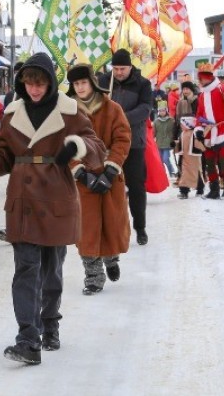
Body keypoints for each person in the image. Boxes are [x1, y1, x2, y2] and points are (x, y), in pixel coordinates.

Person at [0, 53, 103, 365]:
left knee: (51, 271)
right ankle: (28, 339)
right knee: (26, 271)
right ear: (21, 84)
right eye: (29, 83)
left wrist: (77, 147)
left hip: (56, 199)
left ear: (51, 82)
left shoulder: (70, 111)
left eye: (40, 83)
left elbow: (96, 148)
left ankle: (50, 324)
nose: (34, 89)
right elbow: (3, 160)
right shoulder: (12, 115)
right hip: (23, 202)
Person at [66, 63, 131, 296]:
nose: (80, 87)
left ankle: (111, 258)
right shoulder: (68, 112)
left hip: (110, 175)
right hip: (82, 180)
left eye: (83, 82)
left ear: (92, 82)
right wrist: (79, 171)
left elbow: (123, 138)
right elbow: (62, 144)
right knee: (87, 228)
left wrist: (111, 169)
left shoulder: (112, 108)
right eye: (76, 83)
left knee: (112, 224)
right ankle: (93, 276)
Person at [97, 49, 153, 245]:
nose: (119, 72)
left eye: (122, 68)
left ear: (130, 67)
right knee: (107, 185)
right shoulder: (103, 82)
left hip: (134, 143)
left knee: (136, 186)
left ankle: (140, 227)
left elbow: (145, 109)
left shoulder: (143, 84)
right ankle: (111, 228)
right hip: (107, 143)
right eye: (116, 68)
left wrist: (120, 119)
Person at [194, 63, 224, 199]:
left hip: (223, 129)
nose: (199, 81)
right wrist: (198, 129)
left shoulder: (222, 88)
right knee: (209, 161)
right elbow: (199, 114)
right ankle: (214, 189)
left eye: (201, 78)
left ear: (207, 77)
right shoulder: (202, 95)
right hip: (209, 132)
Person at [174, 81, 201, 198]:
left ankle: (200, 187)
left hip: (195, 135)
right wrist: (174, 136)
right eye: (183, 89)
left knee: (196, 163)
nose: (185, 91)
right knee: (182, 163)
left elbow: (200, 117)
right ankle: (184, 190)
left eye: (187, 89)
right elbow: (176, 120)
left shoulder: (197, 100)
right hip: (183, 136)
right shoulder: (180, 103)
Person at [153, 104, 176, 176]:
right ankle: (162, 174)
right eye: (160, 111)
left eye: (163, 110)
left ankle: (171, 172)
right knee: (160, 160)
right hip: (159, 143)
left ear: (166, 111)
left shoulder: (171, 120)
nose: (162, 112)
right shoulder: (156, 121)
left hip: (168, 143)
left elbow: (174, 131)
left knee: (166, 159)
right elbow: (153, 132)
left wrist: (174, 139)